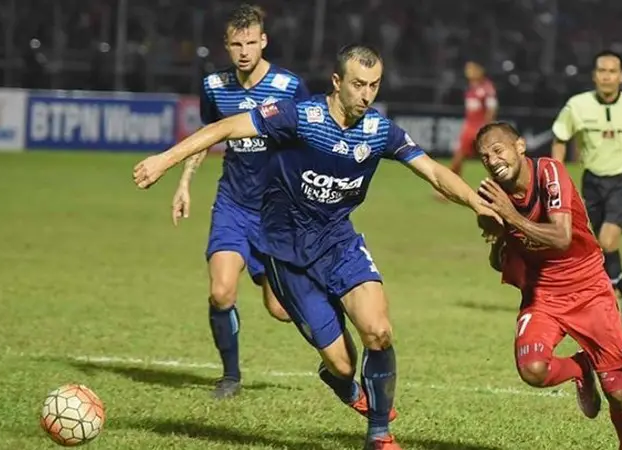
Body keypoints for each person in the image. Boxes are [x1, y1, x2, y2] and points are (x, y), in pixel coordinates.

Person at [133, 44, 501, 450]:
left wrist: (476, 205)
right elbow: (223, 128)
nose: (366, 95)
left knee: (378, 332)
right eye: (358, 85)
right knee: (343, 366)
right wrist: (163, 161)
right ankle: (339, 380)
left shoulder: (378, 130)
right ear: (337, 82)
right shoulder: (300, 117)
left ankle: (379, 433)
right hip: (285, 253)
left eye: (374, 86)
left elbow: (432, 170)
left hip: (339, 243)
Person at [170, 4, 310, 399]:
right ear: (226, 46)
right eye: (237, 44)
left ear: (264, 41)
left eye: (252, 42)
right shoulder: (215, 86)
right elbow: (209, 134)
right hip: (232, 204)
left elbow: (308, 139)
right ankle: (230, 376)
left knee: (281, 310)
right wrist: (184, 183)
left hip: (277, 212)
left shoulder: (289, 87)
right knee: (221, 292)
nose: (245, 50)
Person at [476, 122, 622, 450]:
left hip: (588, 286)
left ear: (520, 146)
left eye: (498, 150)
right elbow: (499, 261)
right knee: (533, 370)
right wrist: (497, 238)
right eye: (484, 157)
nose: (492, 161)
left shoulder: (549, 172)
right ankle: (580, 367)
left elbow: (562, 237)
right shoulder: (493, 195)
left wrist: (513, 217)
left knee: (617, 393)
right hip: (542, 295)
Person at [550, 49, 622, 324]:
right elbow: (560, 138)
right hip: (592, 180)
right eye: (602, 71)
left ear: (621, 76)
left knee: (608, 240)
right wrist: (556, 174)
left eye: (612, 71)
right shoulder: (577, 106)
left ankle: (607, 302)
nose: (607, 76)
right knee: (595, 248)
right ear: (594, 75)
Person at [449, 60, 498, 177]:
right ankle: (451, 187)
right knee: (458, 157)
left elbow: (492, 109)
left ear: (479, 70)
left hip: (480, 127)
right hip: (469, 127)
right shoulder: (470, 87)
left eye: (471, 69)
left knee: (490, 159)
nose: (468, 72)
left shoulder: (487, 88)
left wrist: (486, 128)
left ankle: (499, 186)